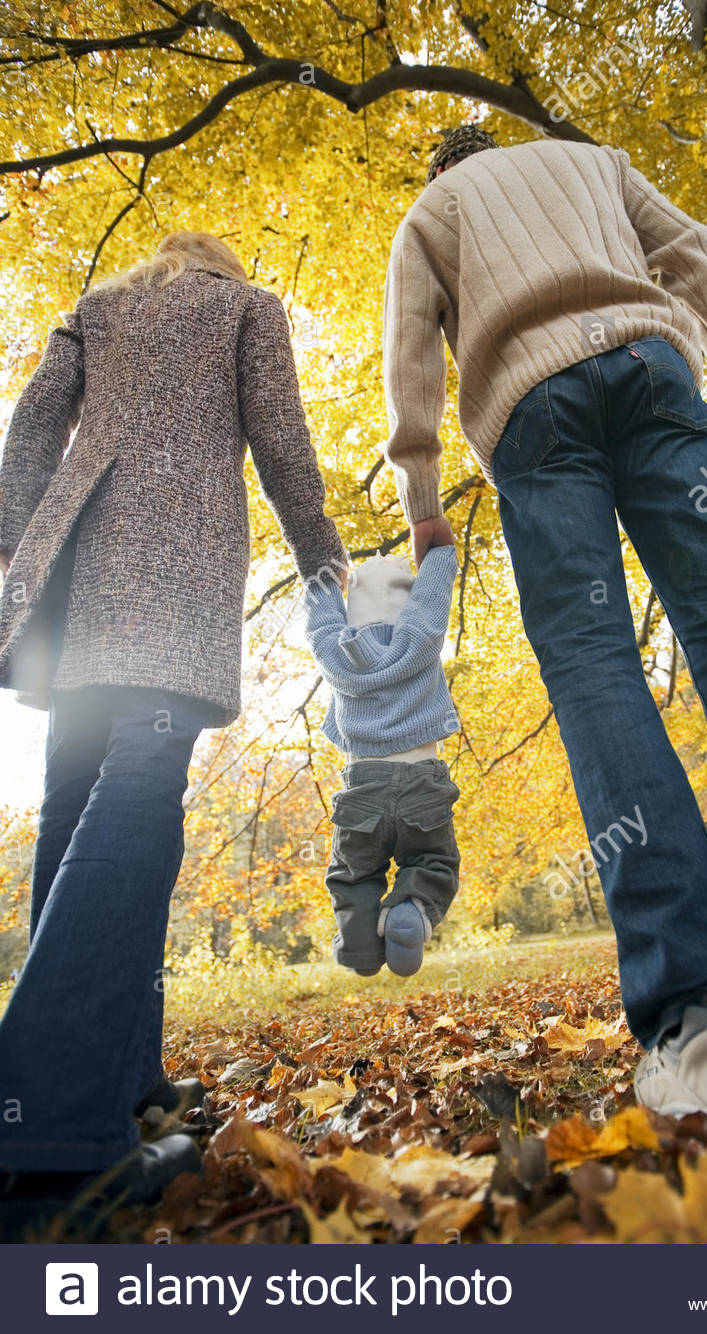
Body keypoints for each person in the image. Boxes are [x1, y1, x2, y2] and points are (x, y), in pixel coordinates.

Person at [381, 124, 707, 1133]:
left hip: (529, 412)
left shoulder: (431, 215)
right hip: (653, 371)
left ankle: (705, 1023)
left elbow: (410, 348)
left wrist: (422, 496)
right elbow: (686, 244)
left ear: (440, 169)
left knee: (595, 666)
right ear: (497, 143)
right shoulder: (591, 160)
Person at [0, 231, 346, 1229]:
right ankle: (52, 1128)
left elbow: (29, 427)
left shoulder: (97, 304)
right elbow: (280, 443)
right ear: (221, 263)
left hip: (74, 566)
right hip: (180, 547)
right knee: (145, 779)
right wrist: (323, 563)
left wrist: (18, 540)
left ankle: (119, 1077)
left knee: (72, 801)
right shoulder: (244, 308)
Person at [304, 547, 461, 976]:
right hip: (422, 784)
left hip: (363, 786)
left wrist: (324, 583)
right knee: (433, 862)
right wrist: (440, 553)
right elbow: (433, 597)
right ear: (407, 603)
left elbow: (320, 622)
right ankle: (412, 906)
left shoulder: (336, 652)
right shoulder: (421, 639)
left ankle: (358, 941)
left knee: (354, 872)